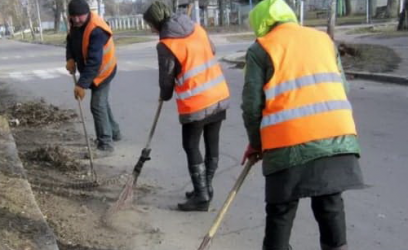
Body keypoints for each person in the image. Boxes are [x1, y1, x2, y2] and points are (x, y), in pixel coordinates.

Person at [241, 0, 365, 249]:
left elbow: (252, 107)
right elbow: (343, 87)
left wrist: (256, 144)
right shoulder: (323, 40)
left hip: (287, 145)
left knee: (280, 213)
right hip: (336, 138)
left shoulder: (261, 49)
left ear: (261, 23)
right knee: (330, 206)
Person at [143, 1, 231, 212]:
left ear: (156, 22)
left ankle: (201, 196)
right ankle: (205, 188)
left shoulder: (166, 43)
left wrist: (164, 94)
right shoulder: (196, 28)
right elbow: (212, 49)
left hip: (196, 102)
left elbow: (167, 78)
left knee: (191, 146)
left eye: (150, 25)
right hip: (218, 94)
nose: (150, 29)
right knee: (212, 145)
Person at [65, 0, 121, 158]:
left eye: (80, 16)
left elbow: (94, 62)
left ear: (87, 13)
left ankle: (105, 145)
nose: (76, 19)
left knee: (97, 105)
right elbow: (70, 42)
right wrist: (70, 58)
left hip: (103, 72)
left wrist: (82, 85)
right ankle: (114, 132)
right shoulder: (74, 25)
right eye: (73, 16)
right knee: (103, 104)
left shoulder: (96, 30)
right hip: (92, 72)